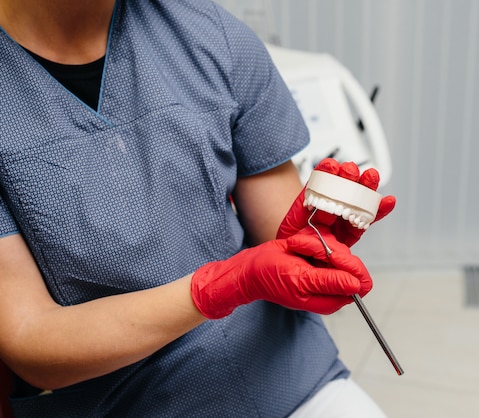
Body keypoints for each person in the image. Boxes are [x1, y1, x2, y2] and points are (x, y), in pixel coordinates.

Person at [0, 0, 397, 417]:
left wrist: (312, 245)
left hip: (288, 376)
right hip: (126, 402)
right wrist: (221, 285)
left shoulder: (210, 34)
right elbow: (31, 336)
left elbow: (281, 241)